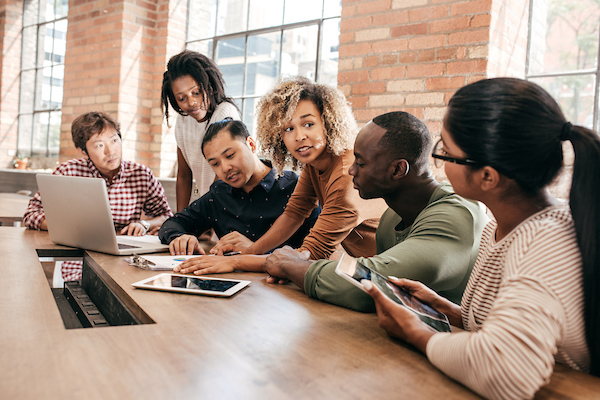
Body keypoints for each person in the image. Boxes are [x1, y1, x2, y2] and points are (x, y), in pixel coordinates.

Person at [361, 78, 600, 399]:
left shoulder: (546, 242)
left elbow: (506, 370)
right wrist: (443, 310)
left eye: (446, 151)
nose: (438, 160)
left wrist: (414, 331)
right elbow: (514, 325)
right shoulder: (501, 225)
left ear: (488, 176)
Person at [262, 112, 488, 311]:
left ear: (398, 169)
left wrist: (290, 264)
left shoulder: (457, 216)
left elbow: (368, 287)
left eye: (360, 163)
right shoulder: (391, 218)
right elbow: (370, 275)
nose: (351, 170)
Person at [174, 76, 387, 275]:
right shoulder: (314, 164)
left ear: (328, 121)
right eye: (288, 129)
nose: (299, 137)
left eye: (308, 124)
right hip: (369, 267)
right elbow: (294, 213)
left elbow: (308, 255)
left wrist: (234, 261)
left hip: (389, 272)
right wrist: (249, 253)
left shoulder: (345, 175)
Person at [24, 111, 173, 281]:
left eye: (114, 140)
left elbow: (166, 216)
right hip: (79, 256)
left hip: (125, 256)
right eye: (99, 145)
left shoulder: (141, 174)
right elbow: (31, 215)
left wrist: (144, 224)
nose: (111, 151)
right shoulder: (67, 172)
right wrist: (68, 227)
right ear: (83, 151)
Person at [158, 118, 319, 257]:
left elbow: (313, 256)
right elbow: (172, 224)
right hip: (227, 284)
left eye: (230, 156)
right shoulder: (218, 194)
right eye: (215, 164)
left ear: (251, 145)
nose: (225, 167)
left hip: (284, 289)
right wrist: (181, 237)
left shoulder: (297, 189)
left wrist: (255, 250)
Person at [161, 50, 240, 211]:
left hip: (230, 207)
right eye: (182, 98)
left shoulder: (224, 113)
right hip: (210, 208)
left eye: (196, 92)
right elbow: (183, 176)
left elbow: (222, 179)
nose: (191, 102)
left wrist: (205, 222)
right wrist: (181, 221)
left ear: (209, 85)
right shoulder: (183, 121)